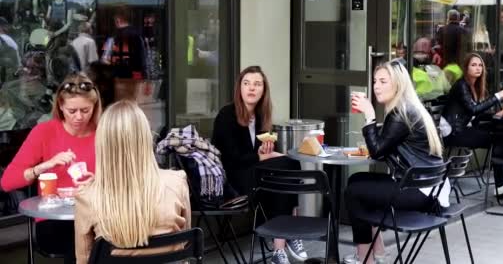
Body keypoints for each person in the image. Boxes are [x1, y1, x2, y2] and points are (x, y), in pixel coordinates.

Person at [344, 60, 448, 264]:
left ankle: (365, 258)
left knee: (353, 192)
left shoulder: (401, 113)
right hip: (431, 187)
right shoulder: (408, 107)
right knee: (357, 180)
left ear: (398, 84)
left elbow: (376, 152)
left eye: (383, 81)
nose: (376, 86)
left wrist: (369, 115)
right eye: (375, 81)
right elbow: (384, 150)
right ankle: (379, 251)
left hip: (420, 191)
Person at [0, 72, 101, 263]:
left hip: (97, 214)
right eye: (72, 111)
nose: (79, 117)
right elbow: (7, 182)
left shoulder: (103, 132)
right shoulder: (44, 132)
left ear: (95, 107)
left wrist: (98, 180)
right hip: (56, 220)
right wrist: (43, 166)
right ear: (61, 106)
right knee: (82, 240)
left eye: (85, 110)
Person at [74, 100, 190, 264]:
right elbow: (184, 242)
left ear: (102, 144)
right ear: (146, 138)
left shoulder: (87, 197)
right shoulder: (177, 182)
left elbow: (84, 260)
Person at [212, 65, 307, 264]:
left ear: (264, 90)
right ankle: (286, 237)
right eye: (246, 84)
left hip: (255, 172)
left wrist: (267, 153)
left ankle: (283, 242)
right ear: (239, 88)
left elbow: (258, 155)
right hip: (232, 179)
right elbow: (233, 158)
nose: (251, 88)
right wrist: (262, 157)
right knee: (282, 174)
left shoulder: (261, 115)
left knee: (290, 165)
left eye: (257, 84)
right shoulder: (226, 115)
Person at [441, 53, 503, 195]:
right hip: (453, 132)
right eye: (473, 65)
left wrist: (495, 115)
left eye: (480, 65)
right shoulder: (461, 85)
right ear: (466, 68)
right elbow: (473, 109)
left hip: (463, 127)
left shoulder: (473, 86)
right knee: (496, 139)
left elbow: (474, 112)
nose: (478, 68)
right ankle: (502, 184)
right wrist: (497, 96)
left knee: (502, 130)